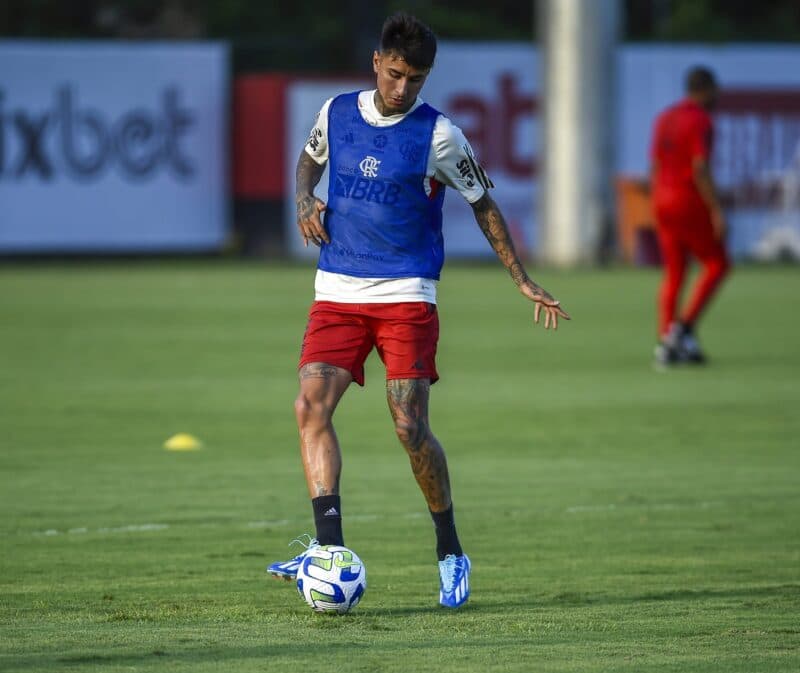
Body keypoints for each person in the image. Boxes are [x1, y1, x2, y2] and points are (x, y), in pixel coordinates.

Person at [267, 12, 569, 608]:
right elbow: (310, 158)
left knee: (409, 425)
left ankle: (450, 549)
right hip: (338, 291)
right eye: (397, 74)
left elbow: (484, 203)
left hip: (406, 296)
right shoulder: (336, 112)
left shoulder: (440, 136)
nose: (403, 88)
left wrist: (521, 278)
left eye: (417, 79)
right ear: (377, 62)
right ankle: (328, 548)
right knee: (309, 404)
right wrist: (305, 196)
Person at [650, 65, 731, 367]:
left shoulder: (665, 118)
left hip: (662, 199)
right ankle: (682, 331)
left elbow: (655, 165)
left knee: (675, 272)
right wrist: (716, 209)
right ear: (706, 89)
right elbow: (700, 168)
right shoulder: (701, 120)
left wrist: (656, 200)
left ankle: (668, 341)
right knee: (718, 264)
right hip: (688, 200)